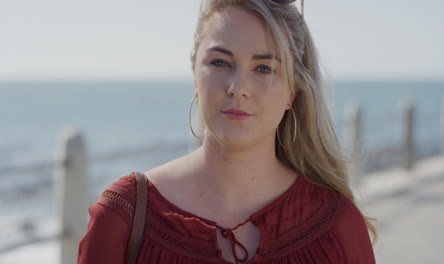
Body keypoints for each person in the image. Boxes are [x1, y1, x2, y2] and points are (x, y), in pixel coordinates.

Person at [78, 0, 377, 263]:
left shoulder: (338, 225)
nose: (238, 88)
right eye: (220, 62)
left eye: (264, 68)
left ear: (292, 92)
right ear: (195, 74)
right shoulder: (124, 218)